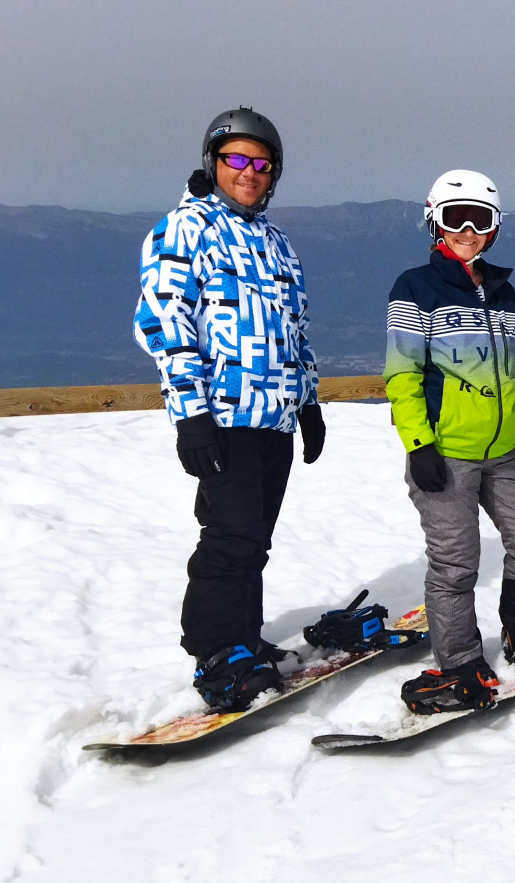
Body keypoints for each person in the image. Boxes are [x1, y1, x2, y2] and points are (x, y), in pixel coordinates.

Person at [133, 107, 327, 711]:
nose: (248, 172)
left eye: (261, 164)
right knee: (230, 536)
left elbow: (295, 327)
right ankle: (216, 652)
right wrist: (189, 414)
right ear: (212, 163)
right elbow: (165, 323)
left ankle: (245, 638)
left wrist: (309, 401)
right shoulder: (183, 229)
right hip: (223, 415)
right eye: (236, 160)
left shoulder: (276, 242)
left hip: (273, 417)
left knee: (255, 539)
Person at [384, 170, 515, 714]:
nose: (468, 230)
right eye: (456, 219)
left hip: (504, 451)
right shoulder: (415, 288)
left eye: (481, 219)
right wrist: (420, 444)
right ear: (435, 223)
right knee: (456, 564)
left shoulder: (503, 290)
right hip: (446, 452)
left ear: (494, 227)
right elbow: (403, 375)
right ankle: (459, 664)